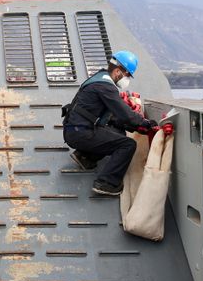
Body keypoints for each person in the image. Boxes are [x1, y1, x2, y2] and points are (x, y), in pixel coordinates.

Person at [62, 50, 157, 196]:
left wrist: (135, 127)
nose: (126, 79)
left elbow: (115, 119)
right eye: (127, 75)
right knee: (128, 145)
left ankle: (85, 156)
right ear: (118, 71)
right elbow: (125, 115)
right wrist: (146, 124)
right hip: (80, 133)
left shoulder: (99, 78)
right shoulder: (106, 86)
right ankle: (106, 183)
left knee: (118, 131)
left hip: (75, 129)